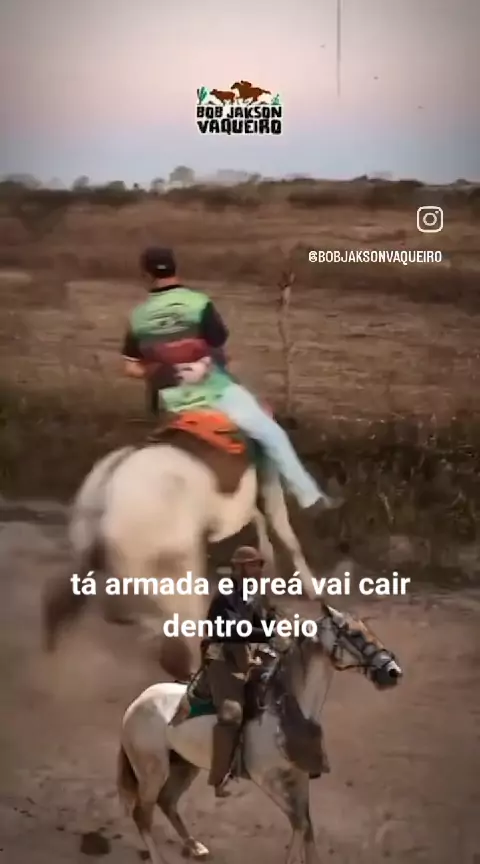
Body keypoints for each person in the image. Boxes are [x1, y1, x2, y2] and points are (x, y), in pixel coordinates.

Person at [121, 246, 342, 516]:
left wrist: (161, 365)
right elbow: (218, 343)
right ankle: (307, 498)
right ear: (176, 269)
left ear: (145, 275)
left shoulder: (137, 317)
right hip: (215, 392)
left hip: (171, 401)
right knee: (272, 433)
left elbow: (130, 368)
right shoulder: (198, 303)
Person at [203, 545, 274, 797]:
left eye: (259, 565)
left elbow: (261, 626)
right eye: (254, 565)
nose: (259, 570)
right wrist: (268, 632)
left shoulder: (252, 595)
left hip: (246, 654)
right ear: (240, 568)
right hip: (222, 659)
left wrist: (275, 621)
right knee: (232, 713)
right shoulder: (226, 594)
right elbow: (235, 630)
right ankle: (220, 777)